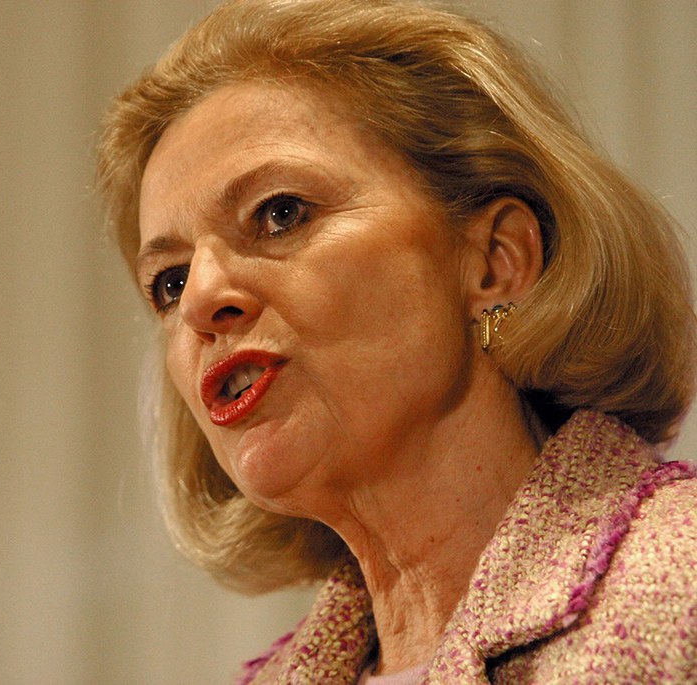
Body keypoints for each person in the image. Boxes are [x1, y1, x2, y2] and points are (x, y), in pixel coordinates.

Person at [96, 0, 697, 682]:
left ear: (495, 260)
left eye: (280, 213)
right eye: (169, 283)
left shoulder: (678, 591)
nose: (201, 298)